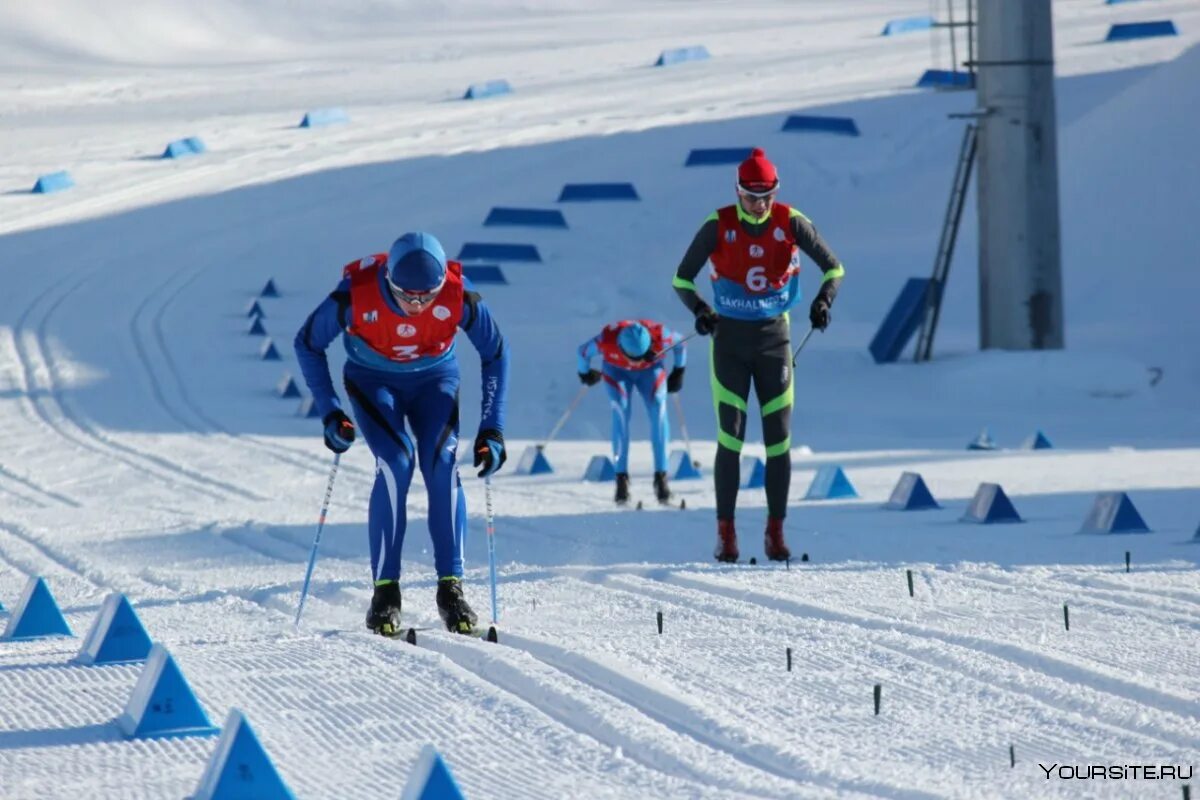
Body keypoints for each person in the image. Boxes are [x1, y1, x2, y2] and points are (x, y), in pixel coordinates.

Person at [293, 232, 509, 636]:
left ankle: (452, 587)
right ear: (388, 279)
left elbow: (496, 352)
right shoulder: (355, 292)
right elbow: (308, 343)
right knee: (396, 463)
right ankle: (386, 592)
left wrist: (492, 428)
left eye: (427, 296)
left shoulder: (460, 294)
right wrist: (330, 412)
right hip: (374, 381)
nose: (416, 305)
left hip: (435, 380)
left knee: (443, 464)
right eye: (406, 296)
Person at [671, 147, 845, 563]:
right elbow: (681, 278)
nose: (759, 204)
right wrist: (700, 311)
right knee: (730, 437)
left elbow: (834, 268)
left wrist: (823, 302)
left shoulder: (790, 221)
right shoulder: (719, 224)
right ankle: (726, 534)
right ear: (737, 191)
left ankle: (775, 532)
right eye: (751, 196)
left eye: (766, 195)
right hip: (729, 342)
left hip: (774, 342)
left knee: (778, 443)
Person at [577, 319, 687, 505]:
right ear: (620, 346)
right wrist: (585, 373)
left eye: (640, 356)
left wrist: (679, 370)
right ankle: (621, 480)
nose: (635, 362)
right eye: (633, 357)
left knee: (659, 408)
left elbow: (681, 343)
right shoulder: (607, 339)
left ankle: (661, 478)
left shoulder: (660, 335)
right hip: (617, 372)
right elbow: (582, 352)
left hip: (650, 371)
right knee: (620, 412)